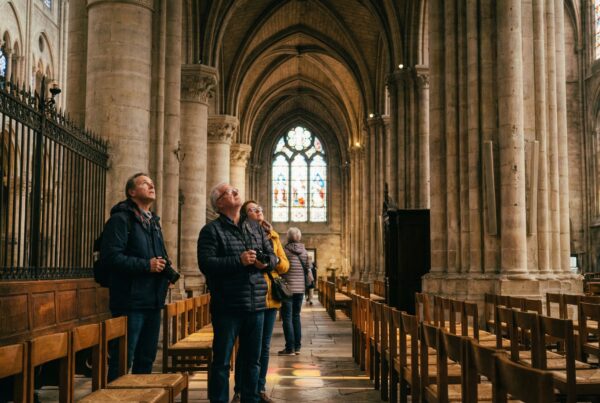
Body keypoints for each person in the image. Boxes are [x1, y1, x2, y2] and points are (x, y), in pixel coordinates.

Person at [197, 184, 278, 403]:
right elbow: (206, 264)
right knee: (222, 362)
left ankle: (250, 399)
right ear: (219, 203)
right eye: (228, 193)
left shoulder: (254, 227)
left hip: (256, 306)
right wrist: (239, 261)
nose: (235, 193)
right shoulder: (211, 230)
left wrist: (265, 263)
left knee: (253, 360)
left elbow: (273, 257)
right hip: (227, 306)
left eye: (235, 191)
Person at [101, 173, 173, 380]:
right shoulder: (120, 220)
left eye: (152, 182)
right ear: (131, 192)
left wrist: (164, 271)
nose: (151, 185)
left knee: (146, 358)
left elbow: (156, 256)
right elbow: (111, 258)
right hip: (130, 301)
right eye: (144, 183)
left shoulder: (153, 223)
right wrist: (147, 266)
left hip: (153, 300)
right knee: (123, 359)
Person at [231, 201, 290, 403]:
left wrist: (268, 263)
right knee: (246, 347)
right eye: (254, 210)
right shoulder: (241, 232)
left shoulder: (273, 236)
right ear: (245, 215)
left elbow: (285, 265)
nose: (259, 213)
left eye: (261, 210)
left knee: (263, 347)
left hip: (270, 298)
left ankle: (259, 388)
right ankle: (240, 390)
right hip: (249, 296)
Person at [279, 227, 312, 355]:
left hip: (287, 289)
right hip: (300, 289)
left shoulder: (285, 251)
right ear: (299, 237)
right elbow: (309, 268)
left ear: (288, 237)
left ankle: (289, 348)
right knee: (296, 317)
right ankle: (297, 347)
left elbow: (281, 268)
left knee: (287, 318)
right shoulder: (304, 252)